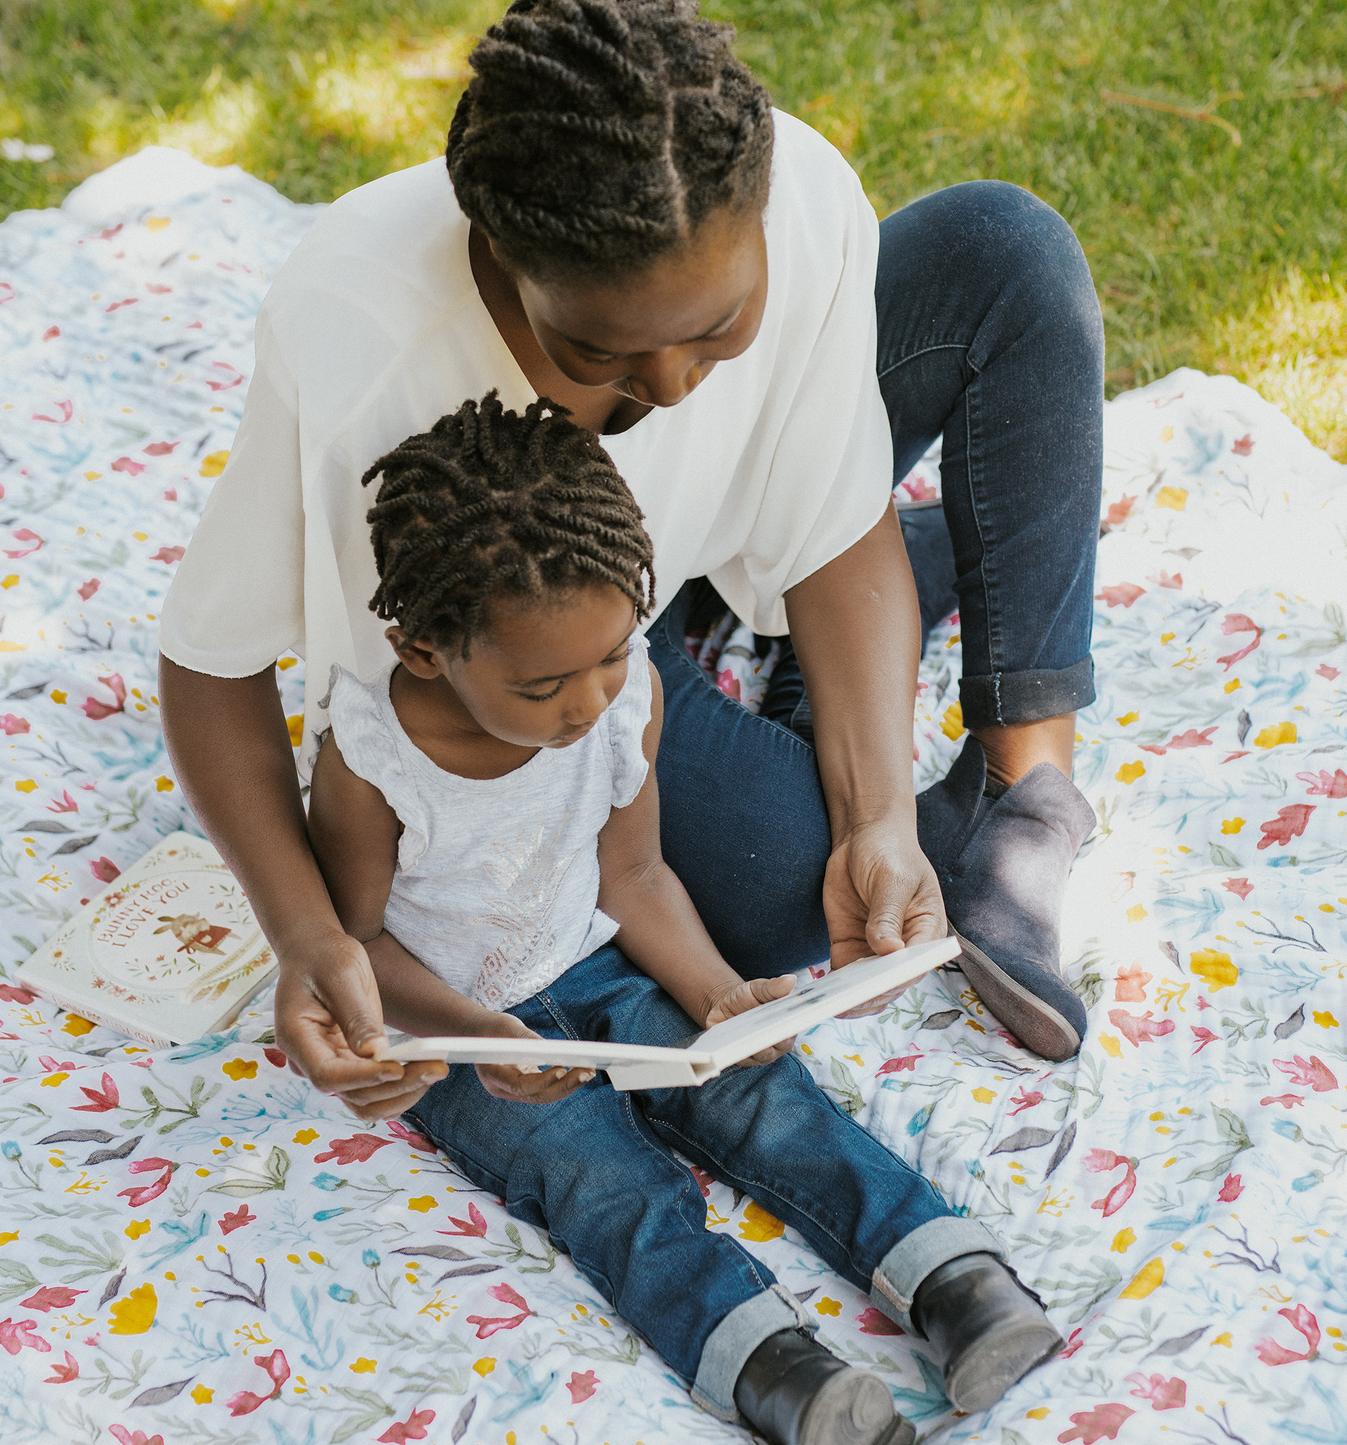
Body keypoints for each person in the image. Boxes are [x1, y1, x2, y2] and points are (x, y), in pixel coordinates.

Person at [158, 0, 1103, 1120]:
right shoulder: (362, 340)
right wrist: (308, 930)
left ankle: (1016, 793)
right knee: (779, 882)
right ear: (502, 262)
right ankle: (748, 623)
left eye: (717, 324)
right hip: (563, 649)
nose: (666, 388)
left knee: (1008, 253)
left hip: (682, 550)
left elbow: (835, 522)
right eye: (596, 352)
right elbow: (209, 659)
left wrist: (883, 818)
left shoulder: (799, 194)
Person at [303, 392, 1061, 1444]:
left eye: (613, 652)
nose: (586, 702)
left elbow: (637, 876)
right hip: (464, 1028)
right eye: (541, 684)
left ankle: (949, 1272)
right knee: (595, 1175)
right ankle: (770, 1362)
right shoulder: (371, 760)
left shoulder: (627, 696)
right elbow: (357, 947)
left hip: (601, 962)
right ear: (425, 646)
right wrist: (483, 1036)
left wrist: (713, 994)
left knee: (763, 1094)